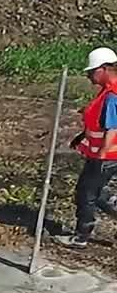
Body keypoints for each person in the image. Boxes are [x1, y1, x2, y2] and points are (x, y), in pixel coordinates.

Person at [58, 46, 117, 249]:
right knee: (94, 192)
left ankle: (81, 236)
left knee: (87, 193)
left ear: (103, 69)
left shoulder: (112, 95)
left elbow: (112, 128)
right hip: (108, 154)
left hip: (107, 155)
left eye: (91, 71)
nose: (88, 76)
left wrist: (101, 156)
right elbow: (101, 121)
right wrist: (81, 137)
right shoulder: (108, 92)